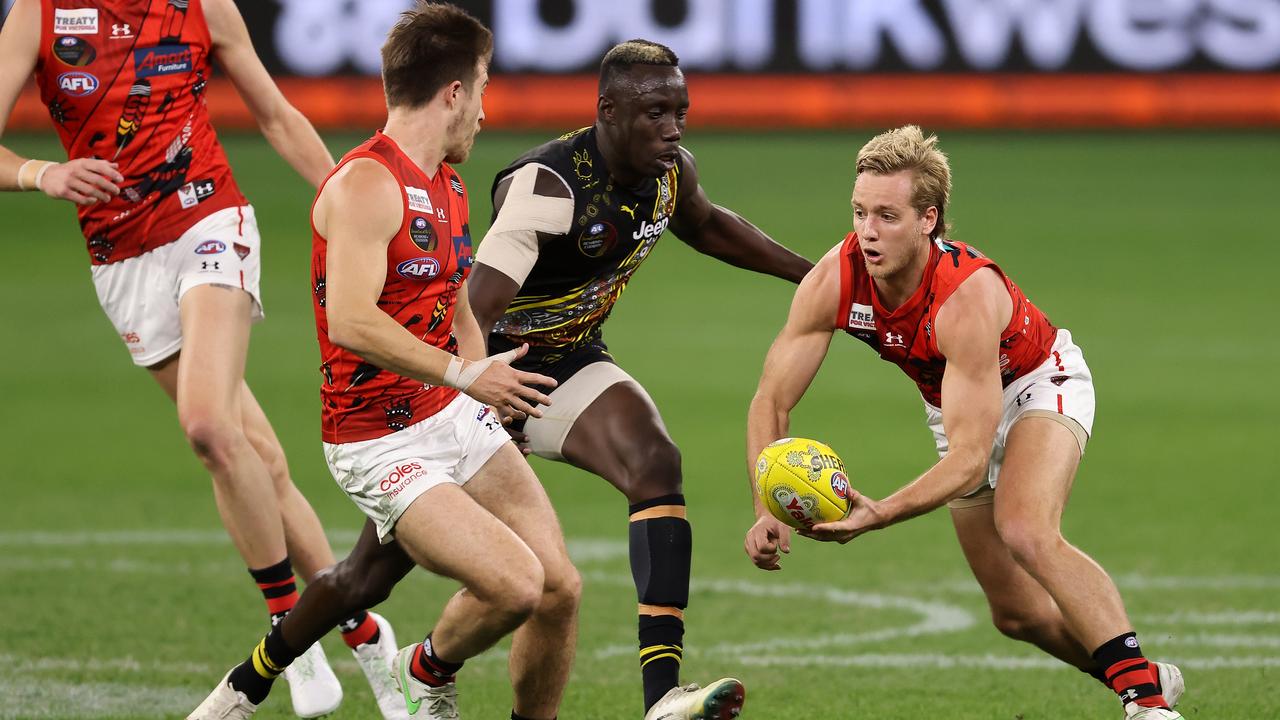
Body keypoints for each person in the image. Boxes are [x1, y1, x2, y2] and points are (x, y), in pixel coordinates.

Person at [0, 0, 401, 716]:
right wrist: (40, 174)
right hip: (119, 261)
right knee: (257, 460)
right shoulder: (40, 13)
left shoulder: (202, 7)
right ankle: (363, 631)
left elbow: (276, 116)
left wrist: (354, 212)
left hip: (207, 218)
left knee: (208, 427)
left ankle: (287, 627)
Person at [188, 4, 581, 720]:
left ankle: (256, 685)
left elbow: (455, 304)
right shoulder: (365, 184)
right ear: (453, 93)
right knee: (516, 586)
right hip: (376, 442)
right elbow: (351, 319)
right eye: (484, 88)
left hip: (449, 417)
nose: (487, 111)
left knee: (560, 589)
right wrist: (467, 374)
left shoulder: (451, 187)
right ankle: (422, 671)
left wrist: (478, 386)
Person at [742, 125, 1186, 719]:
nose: (867, 231)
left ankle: (1149, 706)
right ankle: (1139, 673)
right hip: (954, 405)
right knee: (1017, 616)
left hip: (1037, 382)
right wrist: (765, 506)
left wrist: (880, 514)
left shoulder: (963, 298)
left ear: (929, 219)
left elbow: (971, 456)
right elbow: (771, 400)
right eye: (859, 212)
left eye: (888, 216)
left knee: (1026, 529)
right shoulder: (836, 278)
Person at [462, 39, 813, 720]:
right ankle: (280, 681)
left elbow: (709, 226)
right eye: (656, 113)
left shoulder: (670, 171)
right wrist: (477, 388)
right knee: (380, 568)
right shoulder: (549, 185)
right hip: (484, 371)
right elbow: (475, 307)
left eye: (680, 111)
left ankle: (661, 701)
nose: (673, 128)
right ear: (608, 111)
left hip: (568, 362)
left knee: (656, 463)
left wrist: (812, 276)